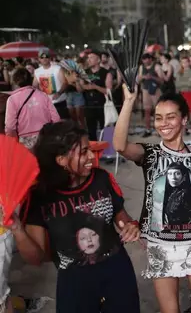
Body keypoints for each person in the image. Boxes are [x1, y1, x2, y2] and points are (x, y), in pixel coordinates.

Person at [113, 89, 191, 313]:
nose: (163, 123)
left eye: (170, 117)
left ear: (184, 119)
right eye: (158, 118)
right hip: (160, 244)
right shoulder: (150, 154)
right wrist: (128, 101)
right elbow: (119, 145)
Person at [7, 120, 141, 312]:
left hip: (118, 273)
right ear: (61, 160)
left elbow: (120, 216)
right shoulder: (40, 197)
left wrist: (130, 225)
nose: (90, 156)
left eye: (89, 149)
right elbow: (37, 258)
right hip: (75, 283)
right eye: (83, 151)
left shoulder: (101, 179)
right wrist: (18, 229)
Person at [4, 68, 60, 150]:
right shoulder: (43, 95)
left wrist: (13, 142)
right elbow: (56, 119)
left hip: (25, 141)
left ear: (14, 81)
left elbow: (10, 127)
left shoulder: (12, 99)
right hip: (45, 138)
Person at [79, 50, 113, 141]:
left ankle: (107, 151)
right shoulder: (84, 73)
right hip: (89, 104)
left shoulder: (106, 73)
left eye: (91, 58)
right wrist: (77, 82)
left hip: (102, 104)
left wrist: (95, 87)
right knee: (91, 130)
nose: (88, 60)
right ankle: (94, 151)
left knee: (106, 128)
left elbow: (108, 91)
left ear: (98, 60)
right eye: (88, 58)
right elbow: (80, 89)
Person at [33, 51, 69, 119]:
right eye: (42, 57)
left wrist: (59, 93)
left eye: (46, 57)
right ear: (39, 59)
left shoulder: (57, 68)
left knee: (62, 125)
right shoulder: (37, 71)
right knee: (49, 126)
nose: (44, 59)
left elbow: (65, 83)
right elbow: (34, 86)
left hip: (59, 102)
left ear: (50, 58)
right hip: (45, 104)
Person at [137, 53, 164, 137]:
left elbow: (162, 80)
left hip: (155, 90)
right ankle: (148, 129)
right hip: (145, 90)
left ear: (150, 59)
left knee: (159, 111)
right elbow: (138, 79)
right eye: (144, 59)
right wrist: (144, 77)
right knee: (147, 111)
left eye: (147, 59)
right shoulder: (141, 67)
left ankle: (160, 129)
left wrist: (152, 77)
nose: (145, 61)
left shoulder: (157, 67)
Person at [175, 56, 191, 135]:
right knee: (183, 113)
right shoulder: (179, 73)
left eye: (186, 62)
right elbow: (177, 85)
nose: (184, 64)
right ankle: (183, 131)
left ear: (189, 63)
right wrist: (186, 83)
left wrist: (182, 83)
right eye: (183, 62)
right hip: (182, 94)